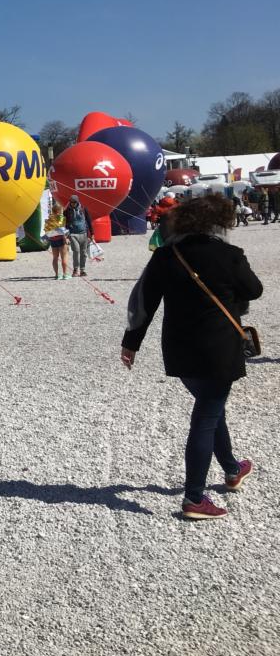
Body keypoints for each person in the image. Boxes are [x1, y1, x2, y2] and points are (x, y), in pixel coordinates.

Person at [120, 195, 264, 520]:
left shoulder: (166, 256)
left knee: (211, 407)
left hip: (179, 349)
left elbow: (144, 302)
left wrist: (131, 343)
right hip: (219, 350)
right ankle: (194, 499)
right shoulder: (229, 255)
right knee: (207, 416)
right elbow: (255, 290)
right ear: (217, 223)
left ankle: (231, 468)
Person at [64, 195, 93, 278]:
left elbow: (89, 221)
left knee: (83, 253)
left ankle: (83, 270)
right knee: (76, 251)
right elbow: (64, 223)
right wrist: (66, 236)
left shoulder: (84, 209)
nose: (72, 204)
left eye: (74, 202)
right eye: (71, 202)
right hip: (73, 234)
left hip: (84, 233)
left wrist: (92, 233)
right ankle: (75, 269)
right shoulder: (67, 211)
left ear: (77, 202)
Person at [44, 201, 68, 280]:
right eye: (61, 210)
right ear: (58, 211)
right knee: (64, 257)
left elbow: (46, 230)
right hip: (61, 239)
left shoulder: (49, 219)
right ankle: (65, 274)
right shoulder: (61, 218)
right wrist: (65, 239)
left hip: (52, 240)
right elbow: (62, 230)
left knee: (55, 258)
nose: (62, 211)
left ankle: (57, 275)